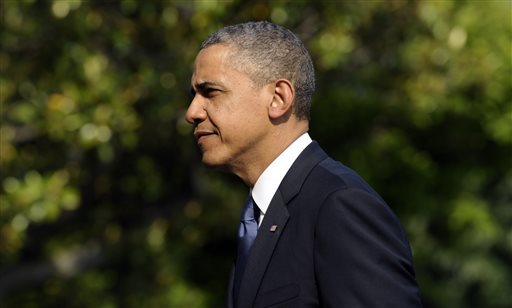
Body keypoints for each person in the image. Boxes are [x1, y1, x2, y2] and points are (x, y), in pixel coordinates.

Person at [185, 21, 422, 308]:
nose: (192, 112)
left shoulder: (339, 205)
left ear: (278, 98)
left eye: (211, 92)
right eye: (194, 96)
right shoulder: (260, 217)